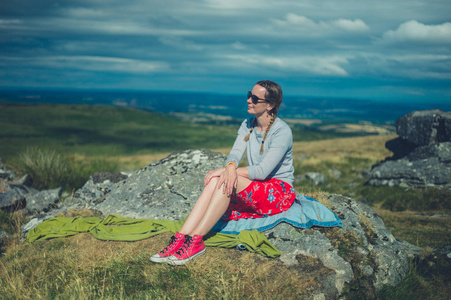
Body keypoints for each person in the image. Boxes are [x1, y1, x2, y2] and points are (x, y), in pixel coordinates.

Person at [150, 80, 296, 265]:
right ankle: (181, 237)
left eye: (255, 98)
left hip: (278, 191)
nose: (249, 100)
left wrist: (229, 171)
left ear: (270, 105)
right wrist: (229, 166)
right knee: (219, 179)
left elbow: (262, 171)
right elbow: (235, 153)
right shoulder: (248, 124)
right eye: (249, 95)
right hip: (258, 186)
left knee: (225, 179)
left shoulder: (282, 131)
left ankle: (195, 241)